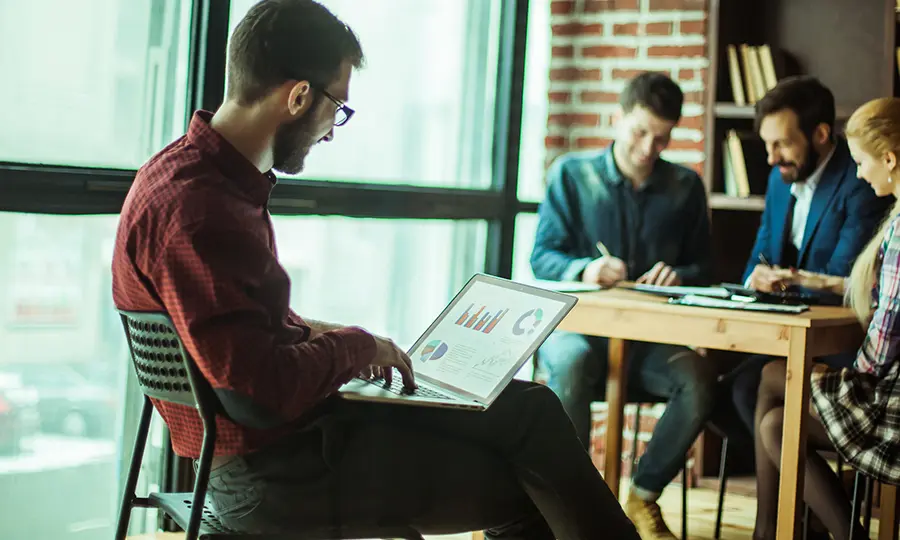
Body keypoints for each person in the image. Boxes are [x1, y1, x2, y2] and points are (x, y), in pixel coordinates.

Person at [110, 1, 640, 539]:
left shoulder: (183, 175)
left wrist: (327, 334)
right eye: (337, 107)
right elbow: (258, 394)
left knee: (527, 407)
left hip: (271, 453)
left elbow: (237, 330)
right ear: (297, 96)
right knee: (531, 480)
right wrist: (357, 347)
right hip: (274, 476)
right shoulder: (205, 209)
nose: (332, 132)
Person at [530, 71, 715, 539]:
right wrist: (584, 271)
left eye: (662, 138)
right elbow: (541, 258)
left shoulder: (686, 187)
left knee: (698, 379)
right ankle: (572, 504)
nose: (648, 148)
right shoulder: (570, 174)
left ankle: (643, 495)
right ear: (617, 119)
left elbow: (705, 269)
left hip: (648, 342)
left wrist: (680, 274)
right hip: (576, 331)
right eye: (639, 132)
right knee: (570, 364)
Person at [751, 96, 900, 540]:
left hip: (890, 400)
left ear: (890, 159)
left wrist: (857, 377)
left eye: (860, 162)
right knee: (774, 402)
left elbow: (889, 321)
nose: (856, 173)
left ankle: (783, 530)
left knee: (775, 400)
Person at [721, 76, 891, 438]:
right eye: (767, 144)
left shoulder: (862, 178)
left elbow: (843, 281)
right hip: (780, 337)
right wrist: (757, 278)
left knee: (753, 389)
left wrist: (785, 280)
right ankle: (794, 488)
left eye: (782, 143)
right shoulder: (778, 177)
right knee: (725, 387)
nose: (771, 158)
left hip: (838, 343)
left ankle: (806, 483)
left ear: (821, 134)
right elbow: (757, 259)